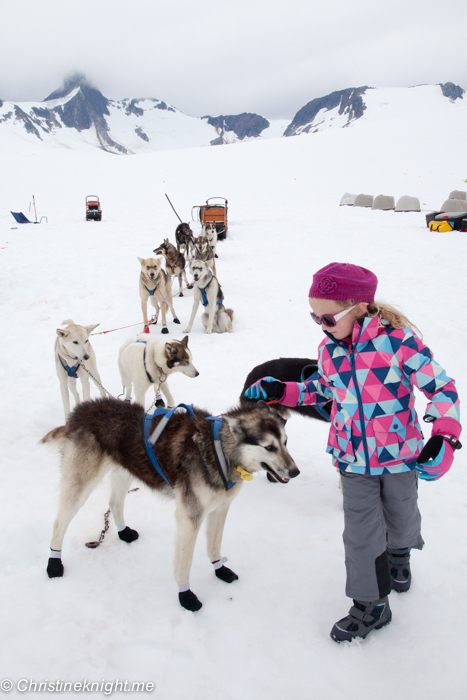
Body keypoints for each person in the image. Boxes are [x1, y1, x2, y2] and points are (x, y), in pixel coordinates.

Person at [244, 262, 461, 643]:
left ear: (360, 307)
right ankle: (371, 604)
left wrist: (444, 434)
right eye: (314, 317)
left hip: (399, 456)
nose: (322, 325)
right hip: (352, 458)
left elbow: (442, 389)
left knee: (402, 518)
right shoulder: (329, 351)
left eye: (327, 317)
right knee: (361, 535)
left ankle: (400, 555)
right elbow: (323, 393)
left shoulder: (399, 344)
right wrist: (283, 391)